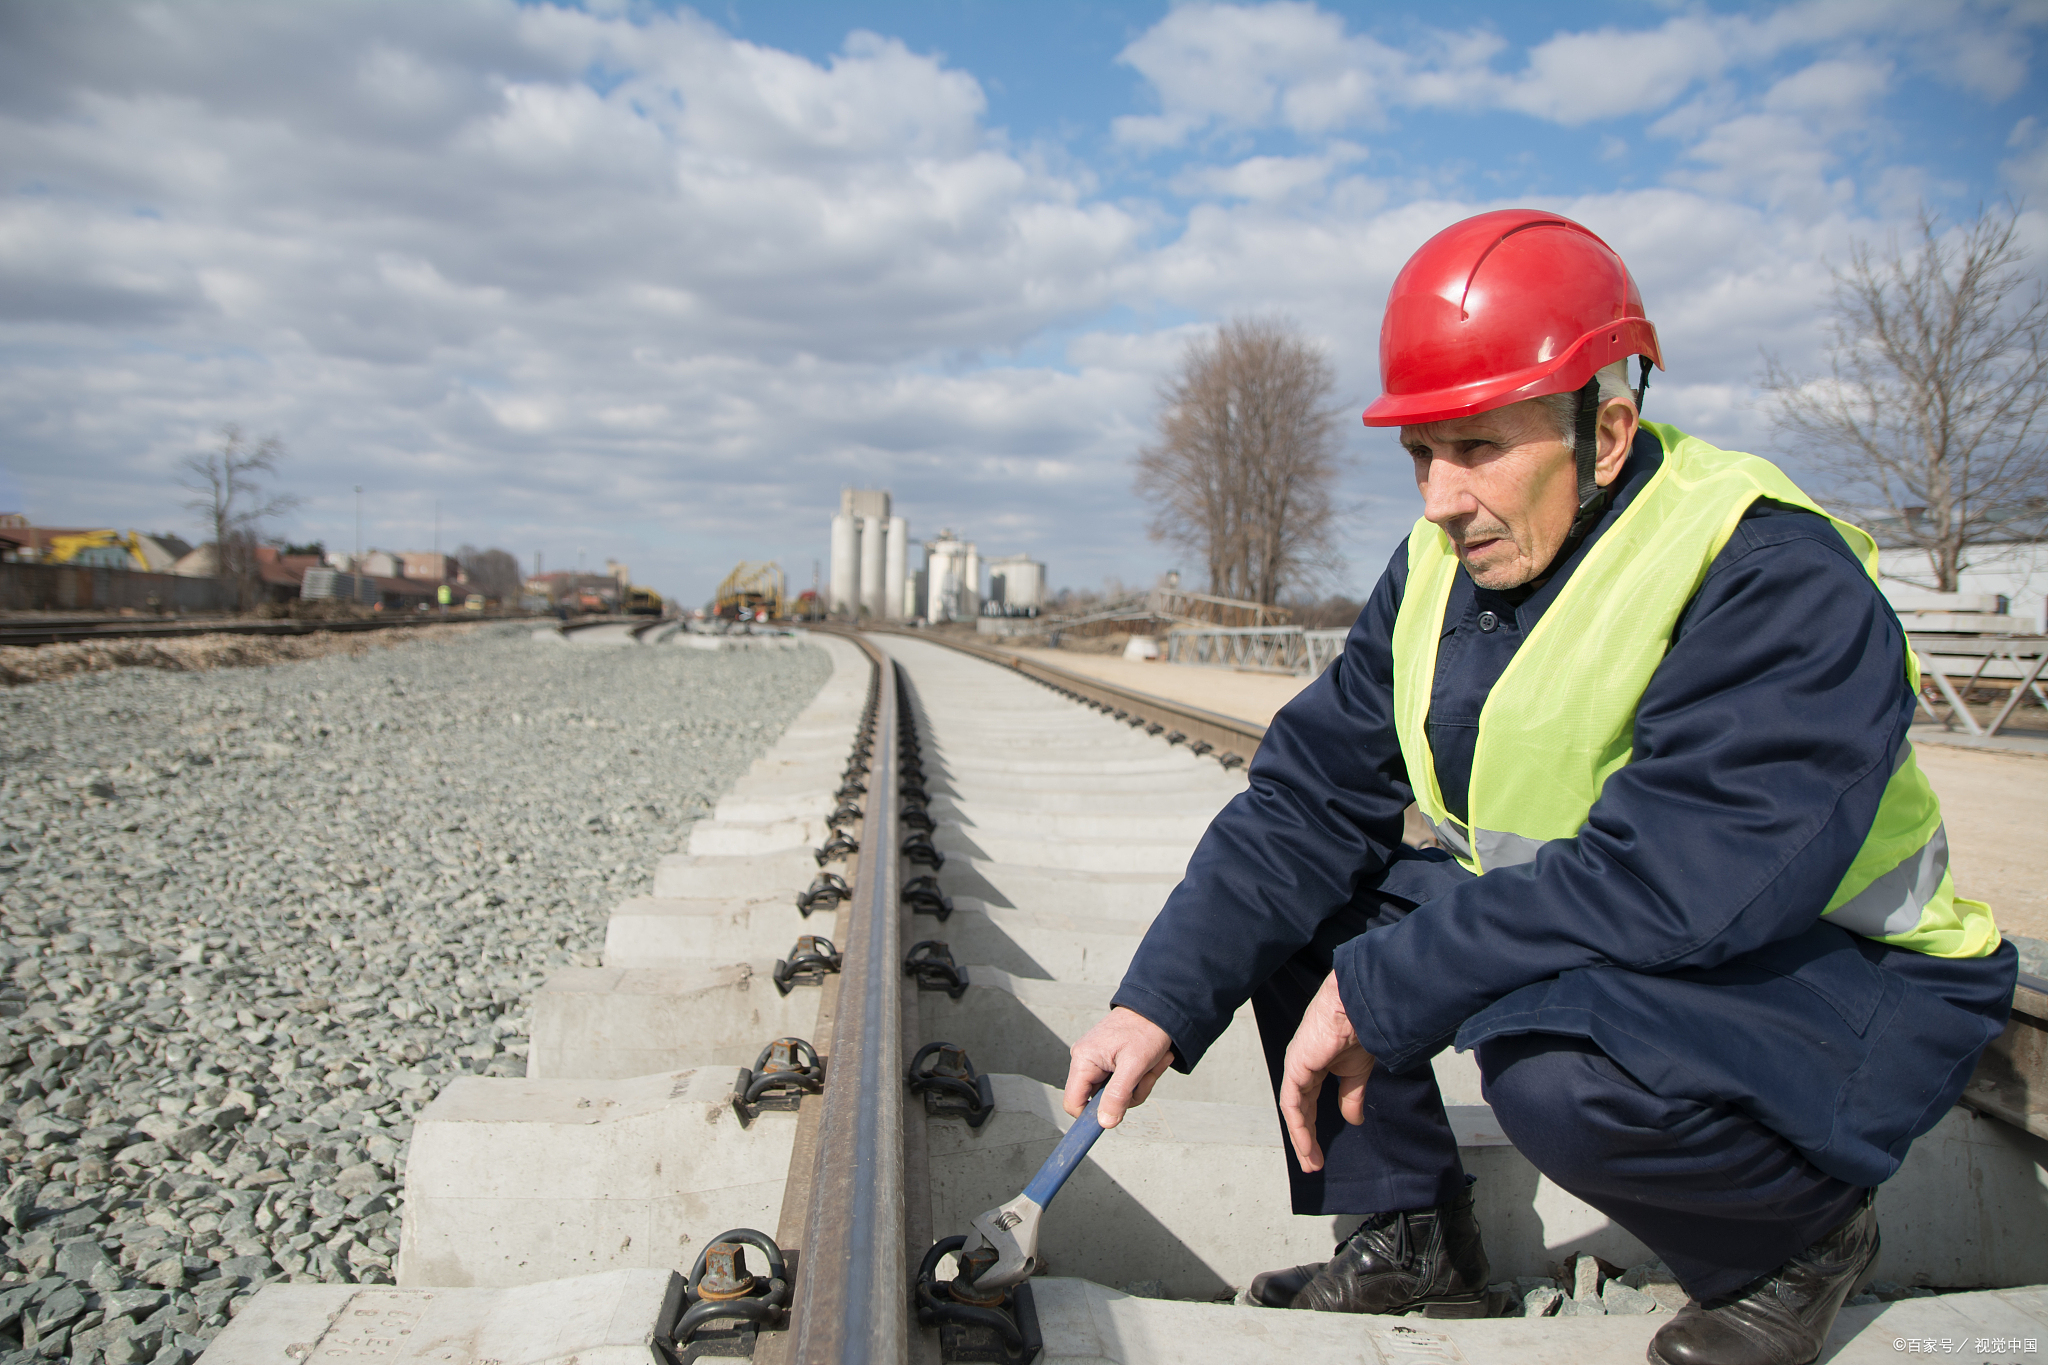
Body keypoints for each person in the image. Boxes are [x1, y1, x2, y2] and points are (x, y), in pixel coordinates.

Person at [1063, 209, 2015, 1365]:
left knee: (1553, 1068)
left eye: (1474, 449)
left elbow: (1686, 877)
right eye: (1419, 454)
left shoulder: (1765, 573)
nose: (1435, 498)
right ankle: (1410, 1239)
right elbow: (1303, 803)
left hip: (1838, 975)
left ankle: (1796, 1239)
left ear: (1604, 433)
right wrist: (1157, 1000)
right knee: (1313, 915)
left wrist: (1398, 982)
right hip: (1634, 931)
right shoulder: (1439, 564)